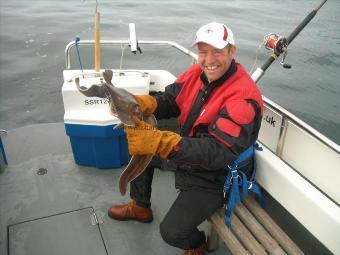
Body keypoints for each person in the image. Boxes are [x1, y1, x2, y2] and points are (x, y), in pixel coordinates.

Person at [108, 21, 263, 255]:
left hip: (217, 175)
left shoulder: (242, 98)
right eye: (203, 51)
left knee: (172, 232)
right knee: (139, 147)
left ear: (232, 51)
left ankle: (196, 245)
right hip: (189, 153)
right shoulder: (196, 73)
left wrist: (161, 142)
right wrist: (145, 104)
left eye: (218, 52)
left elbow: (218, 152)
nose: (208, 60)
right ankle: (141, 207)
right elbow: (171, 100)